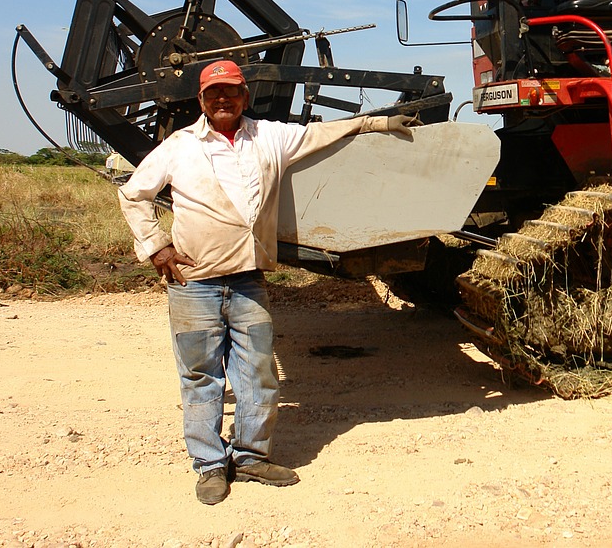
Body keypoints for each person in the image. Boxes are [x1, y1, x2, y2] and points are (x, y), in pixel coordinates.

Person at [118, 59, 417, 505]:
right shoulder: (179, 146)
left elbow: (324, 133)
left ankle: (252, 456)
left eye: (232, 92)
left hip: (247, 281)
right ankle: (210, 466)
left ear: (244, 97)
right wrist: (157, 247)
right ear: (201, 101)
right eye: (214, 94)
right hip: (193, 283)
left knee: (259, 373)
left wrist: (379, 121)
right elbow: (133, 194)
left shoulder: (271, 136)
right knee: (201, 378)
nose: (223, 100)